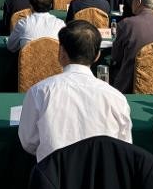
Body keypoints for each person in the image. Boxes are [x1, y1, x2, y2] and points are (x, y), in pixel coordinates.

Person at [18, 20, 132, 162]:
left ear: (61, 52)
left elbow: (28, 142)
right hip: (101, 173)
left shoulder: (39, 92)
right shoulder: (117, 98)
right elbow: (124, 145)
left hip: (53, 173)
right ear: (98, 55)